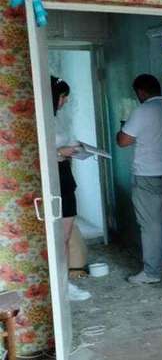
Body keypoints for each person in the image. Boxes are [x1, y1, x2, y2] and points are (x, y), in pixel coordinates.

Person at [116, 74, 162, 285]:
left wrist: (123, 124)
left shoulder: (142, 111)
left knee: (150, 225)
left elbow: (123, 141)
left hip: (148, 175)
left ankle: (152, 272)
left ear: (141, 92)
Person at [51, 76, 91, 301]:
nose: (65, 101)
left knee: (65, 236)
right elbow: (38, 152)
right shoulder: (39, 118)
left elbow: (65, 142)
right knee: (54, 237)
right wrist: (60, 152)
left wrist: (76, 148)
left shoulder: (59, 118)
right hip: (50, 177)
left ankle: (65, 285)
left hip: (65, 176)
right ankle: (56, 286)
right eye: (62, 96)